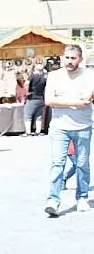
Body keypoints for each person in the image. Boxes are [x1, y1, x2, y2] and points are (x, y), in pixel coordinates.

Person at [43, 44, 94, 215]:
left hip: (83, 126)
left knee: (82, 164)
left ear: (80, 58)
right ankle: (53, 199)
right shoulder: (54, 76)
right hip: (59, 127)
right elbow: (49, 100)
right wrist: (74, 101)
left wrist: (62, 99)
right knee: (58, 163)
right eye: (67, 57)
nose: (69, 61)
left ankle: (82, 197)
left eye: (73, 58)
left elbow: (86, 100)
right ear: (62, 58)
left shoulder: (89, 75)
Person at [23, 63, 47, 136]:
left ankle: (28, 132)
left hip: (32, 97)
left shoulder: (32, 76)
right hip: (41, 98)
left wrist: (27, 92)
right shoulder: (44, 77)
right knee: (38, 115)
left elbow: (26, 84)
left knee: (27, 115)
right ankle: (38, 131)